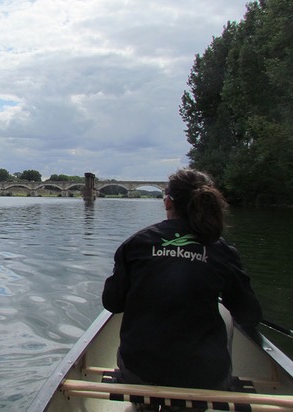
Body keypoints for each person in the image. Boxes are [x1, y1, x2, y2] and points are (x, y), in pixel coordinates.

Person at [102, 169, 262, 407]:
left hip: (140, 370)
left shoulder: (137, 243)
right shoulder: (222, 251)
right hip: (204, 376)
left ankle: (144, 403)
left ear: (167, 202)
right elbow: (249, 316)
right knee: (227, 320)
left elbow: (112, 303)